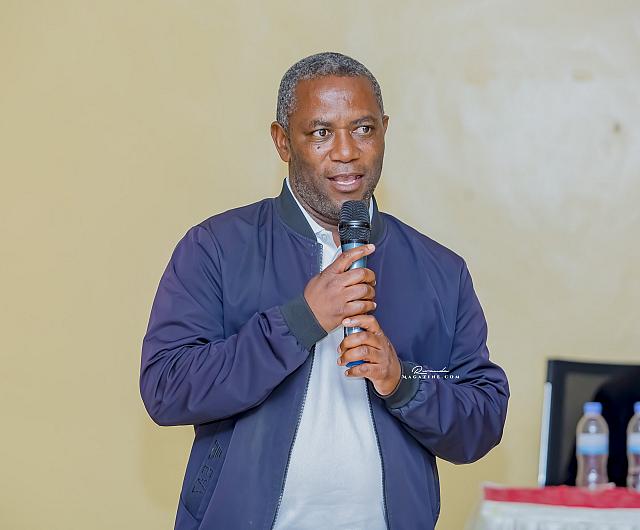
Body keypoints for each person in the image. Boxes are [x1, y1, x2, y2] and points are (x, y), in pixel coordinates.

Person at [140, 52, 509, 530]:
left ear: (385, 131)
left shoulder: (440, 270)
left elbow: (481, 420)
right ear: (282, 141)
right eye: (320, 133)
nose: (346, 152)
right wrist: (300, 321)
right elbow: (167, 388)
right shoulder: (216, 247)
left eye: (363, 129)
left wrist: (403, 382)